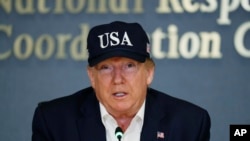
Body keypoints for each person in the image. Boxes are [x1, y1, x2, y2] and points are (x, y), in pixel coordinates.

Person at [32, 21, 211, 141]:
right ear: (92, 77)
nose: (118, 79)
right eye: (106, 68)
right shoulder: (54, 122)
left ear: (149, 73)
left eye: (129, 66)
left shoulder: (189, 124)